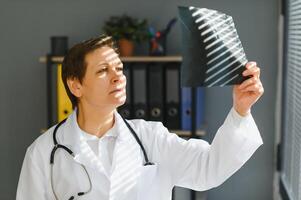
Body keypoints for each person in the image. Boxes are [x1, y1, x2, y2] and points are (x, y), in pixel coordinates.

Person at [16, 35, 264, 200]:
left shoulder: (151, 137)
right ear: (75, 85)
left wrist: (241, 111)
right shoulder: (43, 153)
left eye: (120, 69)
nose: (118, 77)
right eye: (103, 70)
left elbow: (210, 168)